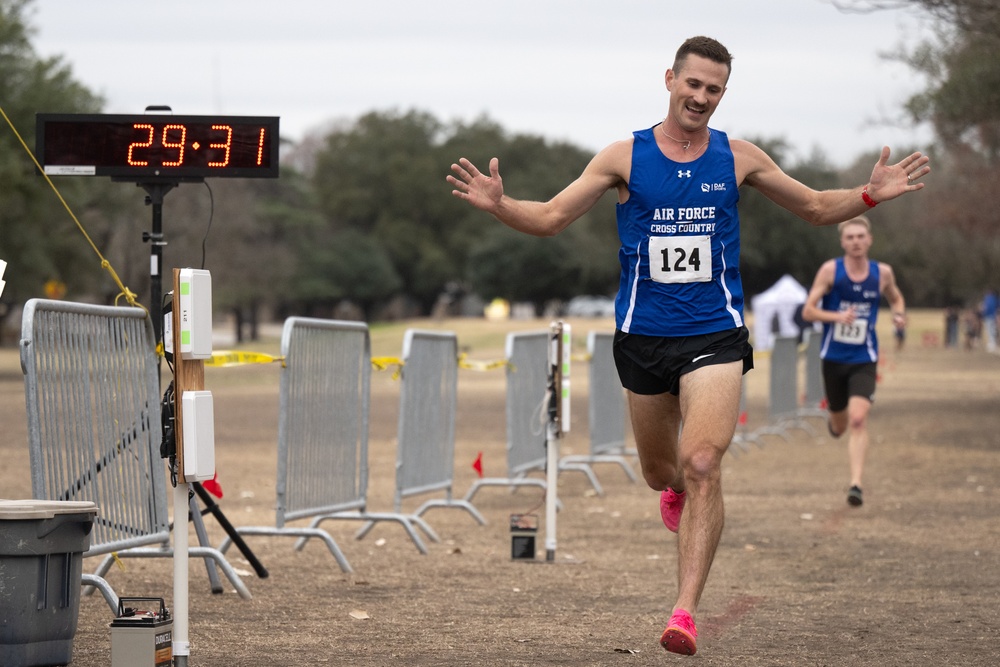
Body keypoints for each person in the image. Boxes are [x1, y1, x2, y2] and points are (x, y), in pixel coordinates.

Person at [447, 36, 930, 656]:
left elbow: (812, 206)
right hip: (644, 338)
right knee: (660, 471)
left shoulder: (738, 157)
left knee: (704, 463)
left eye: (714, 90)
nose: (701, 98)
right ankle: (674, 491)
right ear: (670, 78)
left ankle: (684, 611)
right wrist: (501, 206)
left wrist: (868, 196)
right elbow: (549, 218)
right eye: (693, 84)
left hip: (715, 335)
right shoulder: (625, 156)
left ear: (723, 94)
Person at [801, 216, 906, 508]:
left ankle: (856, 484)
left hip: (864, 357)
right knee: (840, 424)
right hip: (833, 357)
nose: (856, 242)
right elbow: (808, 312)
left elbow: (896, 298)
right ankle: (835, 423)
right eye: (850, 237)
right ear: (842, 242)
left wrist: (898, 314)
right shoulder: (830, 271)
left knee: (859, 419)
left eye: (861, 236)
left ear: (869, 239)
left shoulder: (882, 273)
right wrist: (837, 316)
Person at [980, 289, 998, 353]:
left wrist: (982, 314)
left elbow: (985, 308)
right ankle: (992, 343)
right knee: (992, 329)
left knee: (990, 330)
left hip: (989, 316)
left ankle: (992, 343)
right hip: (992, 316)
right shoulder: (995, 299)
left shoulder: (987, 299)